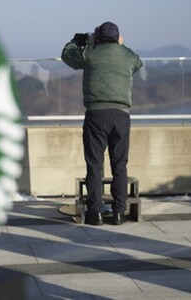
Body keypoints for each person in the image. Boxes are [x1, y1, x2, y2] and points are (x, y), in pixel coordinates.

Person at [61, 21, 143, 226]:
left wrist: (77, 40)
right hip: (121, 116)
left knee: (95, 165)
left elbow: (67, 55)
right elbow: (138, 62)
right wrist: (120, 46)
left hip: (96, 114)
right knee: (120, 165)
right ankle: (118, 213)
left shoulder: (89, 52)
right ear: (118, 38)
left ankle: (95, 214)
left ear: (97, 37)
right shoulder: (127, 55)